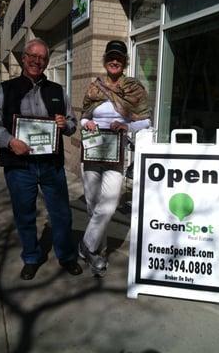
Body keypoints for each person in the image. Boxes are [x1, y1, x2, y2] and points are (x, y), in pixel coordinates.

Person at [0, 38, 82, 280]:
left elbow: (72, 124)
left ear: (47, 62)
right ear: (24, 58)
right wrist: (10, 141)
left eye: (42, 58)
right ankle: (31, 256)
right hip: (19, 166)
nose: (37, 61)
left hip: (51, 165)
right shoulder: (5, 90)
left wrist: (65, 124)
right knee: (24, 214)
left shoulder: (58, 91)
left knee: (61, 214)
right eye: (32, 56)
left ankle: (67, 255)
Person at [78, 40, 151, 276]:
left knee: (107, 206)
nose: (115, 61)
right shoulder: (94, 87)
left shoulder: (134, 88)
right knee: (92, 206)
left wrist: (127, 125)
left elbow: (146, 120)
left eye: (119, 57)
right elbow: (81, 117)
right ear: (106, 59)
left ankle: (85, 246)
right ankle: (97, 253)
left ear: (125, 61)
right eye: (111, 56)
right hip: (92, 151)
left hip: (116, 154)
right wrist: (86, 122)